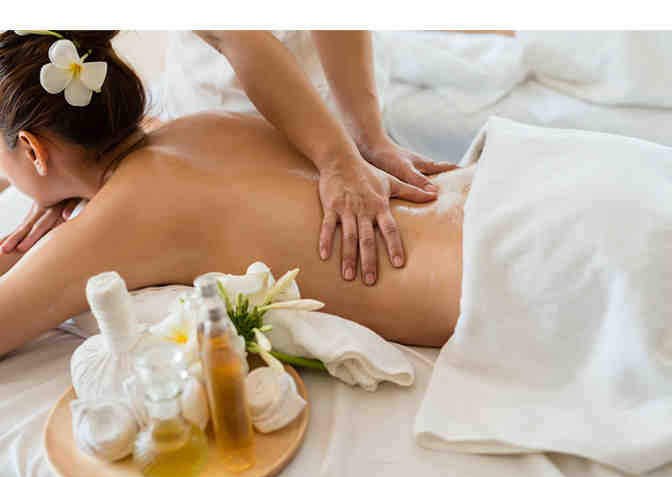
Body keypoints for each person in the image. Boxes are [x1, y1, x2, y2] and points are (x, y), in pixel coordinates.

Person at [0, 30, 464, 357]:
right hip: (477, 195)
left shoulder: (119, 218)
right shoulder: (202, 125)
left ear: (33, 149)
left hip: (483, 273)